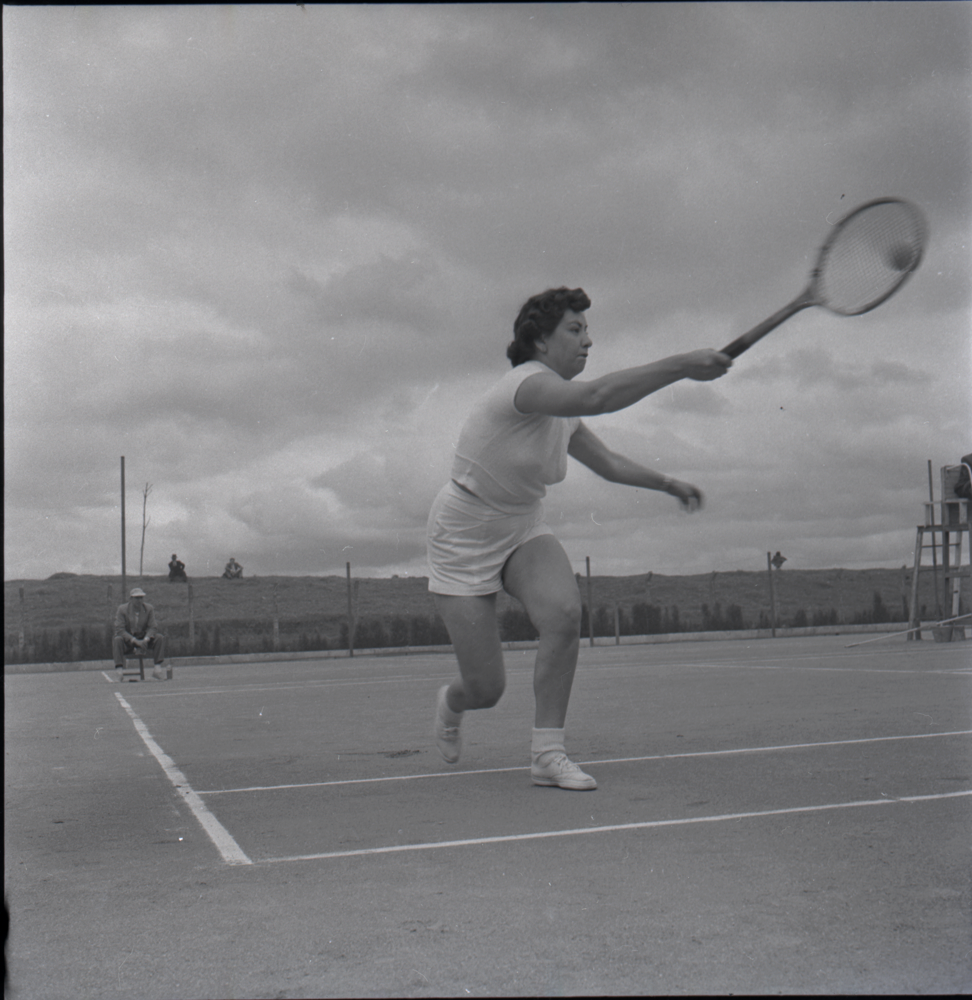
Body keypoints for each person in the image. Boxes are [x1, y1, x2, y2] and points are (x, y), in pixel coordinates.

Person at [427, 286, 731, 790]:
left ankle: (547, 754)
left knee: (565, 615)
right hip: (462, 533)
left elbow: (607, 462)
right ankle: (452, 703)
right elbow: (599, 395)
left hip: (520, 525)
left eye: (588, 330)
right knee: (486, 688)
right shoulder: (524, 387)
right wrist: (682, 364)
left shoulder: (562, 415)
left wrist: (666, 483)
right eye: (575, 329)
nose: (588, 340)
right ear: (540, 342)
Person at [112, 587, 167, 680]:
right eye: (136, 598)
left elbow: (153, 627)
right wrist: (134, 640)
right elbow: (120, 629)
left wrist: (146, 639)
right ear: (131, 599)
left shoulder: (149, 608)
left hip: (143, 638)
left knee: (159, 638)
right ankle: (119, 672)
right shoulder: (122, 609)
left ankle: (157, 670)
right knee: (117, 639)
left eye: (141, 597)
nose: (139, 600)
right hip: (128, 640)